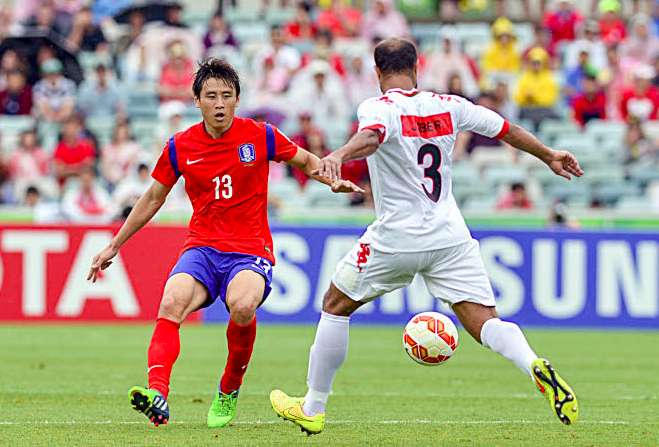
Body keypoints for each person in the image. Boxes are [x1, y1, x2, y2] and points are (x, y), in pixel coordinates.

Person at [270, 38, 583, 435]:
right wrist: (549, 155)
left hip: (397, 237)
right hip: (449, 235)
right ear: (417, 67)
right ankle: (532, 362)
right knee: (485, 321)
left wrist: (338, 156)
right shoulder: (451, 105)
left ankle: (313, 407)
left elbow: (372, 137)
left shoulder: (377, 107)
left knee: (335, 304)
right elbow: (507, 128)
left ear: (377, 71)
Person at [86, 58, 362, 428]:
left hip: (249, 249)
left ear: (237, 100)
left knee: (243, 305)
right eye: (211, 96)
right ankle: (158, 395)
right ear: (197, 101)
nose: (219, 103)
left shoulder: (260, 135)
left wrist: (332, 181)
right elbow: (153, 198)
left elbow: (306, 161)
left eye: (227, 96)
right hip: (201, 247)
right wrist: (114, 244)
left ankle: (229, 389)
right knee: (171, 302)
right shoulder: (180, 146)